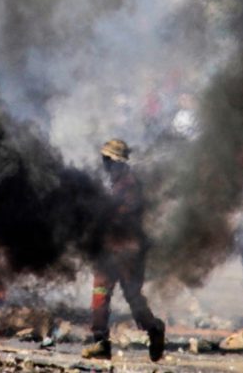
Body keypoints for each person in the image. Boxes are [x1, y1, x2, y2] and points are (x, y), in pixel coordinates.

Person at [82, 139, 165, 362]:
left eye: (108, 160)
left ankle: (154, 329)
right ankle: (100, 342)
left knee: (133, 298)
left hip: (128, 251)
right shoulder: (114, 183)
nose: (105, 164)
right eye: (104, 160)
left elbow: (124, 216)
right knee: (99, 295)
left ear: (118, 162)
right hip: (109, 250)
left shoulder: (129, 185)